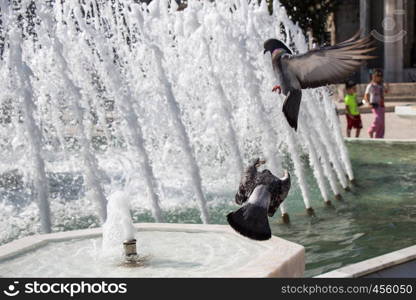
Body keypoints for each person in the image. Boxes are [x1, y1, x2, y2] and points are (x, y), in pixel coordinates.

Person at [364, 69, 386, 138]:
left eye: (380, 75)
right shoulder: (370, 85)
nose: (379, 77)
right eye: (377, 75)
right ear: (373, 76)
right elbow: (366, 95)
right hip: (374, 105)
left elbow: (385, 93)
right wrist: (368, 103)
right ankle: (371, 130)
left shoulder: (381, 85)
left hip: (381, 105)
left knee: (382, 123)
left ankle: (379, 137)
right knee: (377, 119)